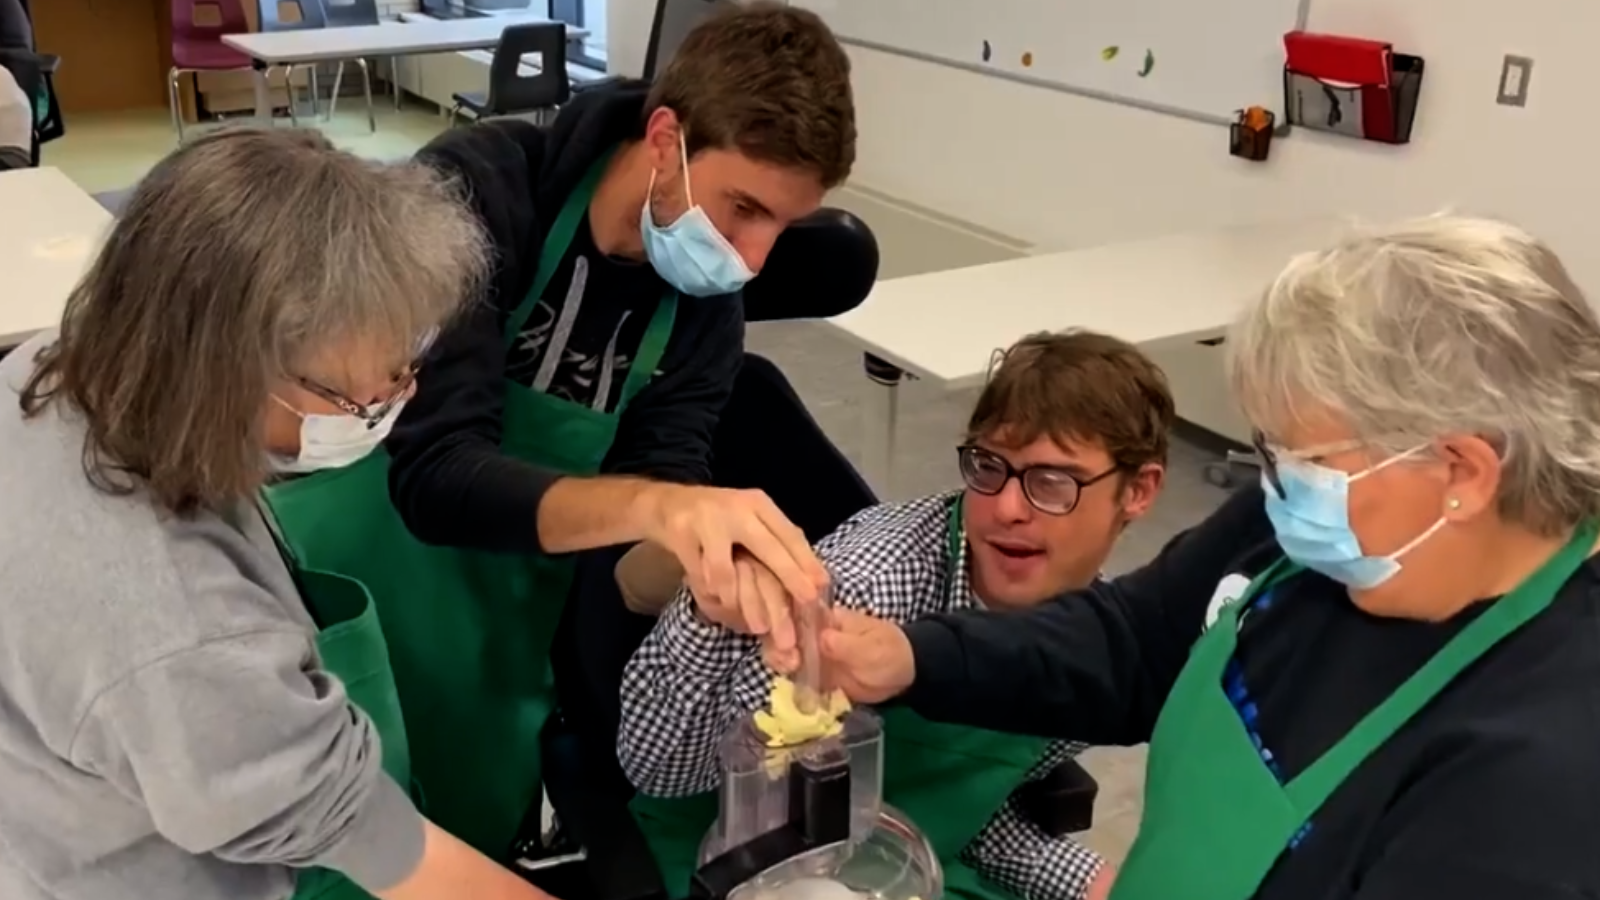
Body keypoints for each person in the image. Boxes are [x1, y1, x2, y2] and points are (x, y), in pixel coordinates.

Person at [817, 215, 1600, 900]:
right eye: (1271, 448)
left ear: (1462, 473)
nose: (1279, 483)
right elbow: (1134, 640)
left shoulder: (1539, 773)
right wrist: (913, 656)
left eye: (1309, 458)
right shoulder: (1308, 539)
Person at [259, 1, 855, 866]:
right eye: (742, 209)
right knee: (321, 839)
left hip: (502, 632)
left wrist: (705, 567)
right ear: (663, 140)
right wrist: (657, 507)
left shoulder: (703, 319)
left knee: (456, 845)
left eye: (779, 228)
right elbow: (435, 476)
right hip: (373, 576)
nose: (754, 258)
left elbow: (638, 545)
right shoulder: (475, 195)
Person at [0, 128, 555, 900]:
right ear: (229, 373)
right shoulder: (182, 630)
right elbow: (388, 849)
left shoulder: (59, 365)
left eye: (408, 365)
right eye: (358, 396)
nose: (397, 401)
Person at [618, 330, 1177, 900]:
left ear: (1138, 490)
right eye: (988, 467)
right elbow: (667, 774)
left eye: (1051, 482)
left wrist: (1088, 884)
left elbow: (967, 812)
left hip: (894, 854)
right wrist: (711, 615)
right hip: (733, 856)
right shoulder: (864, 592)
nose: (1008, 509)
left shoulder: (1092, 652)